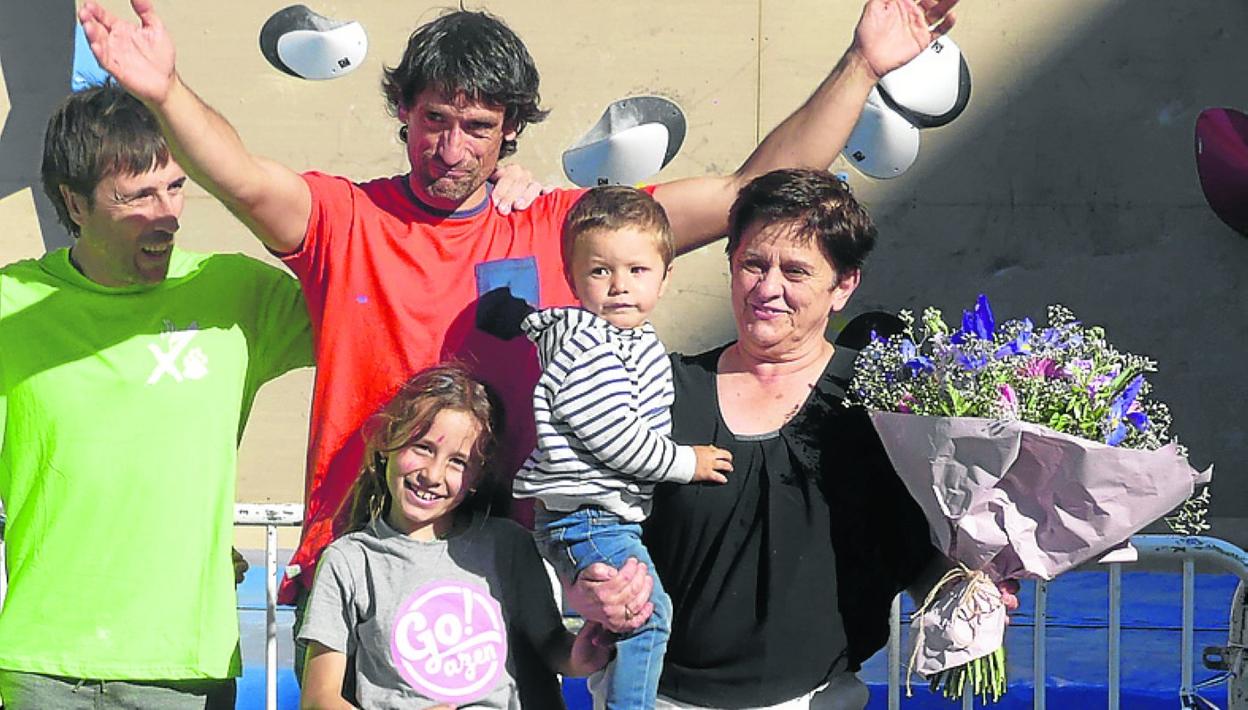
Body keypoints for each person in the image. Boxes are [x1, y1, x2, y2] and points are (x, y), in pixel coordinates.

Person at [77, 0, 963, 667]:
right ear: (403, 114)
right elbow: (233, 173)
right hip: (356, 568)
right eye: (434, 119)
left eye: (477, 128)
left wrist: (860, 63)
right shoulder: (342, 220)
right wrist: (160, 90)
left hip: (511, 582)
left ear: (508, 136)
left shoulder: (567, 228)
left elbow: (751, 191)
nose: (451, 147)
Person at [569, 169, 1020, 710]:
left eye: (796, 271)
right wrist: (585, 581)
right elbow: (585, 518)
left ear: (844, 284)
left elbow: (911, 546)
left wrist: (967, 585)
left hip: (814, 698)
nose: (768, 289)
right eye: (753, 264)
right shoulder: (655, 388)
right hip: (652, 698)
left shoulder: (884, 406)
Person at [0, 84, 312, 708]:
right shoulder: (11, 305)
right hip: (38, 665)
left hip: (185, 669)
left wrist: (489, 202)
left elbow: (378, 292)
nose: (165, 212)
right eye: (137, 195)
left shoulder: (234, 293)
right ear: (74, 203)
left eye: (174, 186)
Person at [487, 186, 734, 708]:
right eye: (601, 271)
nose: (620, 286)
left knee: (628, 618)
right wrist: (686, 462)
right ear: (573, 278)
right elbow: (612, 435)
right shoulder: (585, 342)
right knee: (647, 616)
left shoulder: (632, 341)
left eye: (637, 271)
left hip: (604, 515)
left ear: (665, 278)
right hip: (587, 515)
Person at [298, 364, 612, 709]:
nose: (433, 475)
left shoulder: (507, 545)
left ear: (477, 477)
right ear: (387, 443)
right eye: (423, 447)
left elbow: (550, 644)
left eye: (458, 462)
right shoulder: (349, 560)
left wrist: (580, 656)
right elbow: (319, 698)